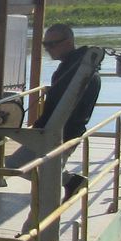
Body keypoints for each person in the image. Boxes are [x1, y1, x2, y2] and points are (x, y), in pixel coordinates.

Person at [33, 23, 100, 198]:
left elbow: (61, 107)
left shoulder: (78, 71)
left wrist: (39, 129)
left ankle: (69, 184)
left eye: (52, 44)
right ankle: (70, 182)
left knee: (33, 170)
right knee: (25, 166)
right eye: (45, 45)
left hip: (63, 133)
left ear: (68, 42)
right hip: (58, 131)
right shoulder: (74, 67)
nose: (48, 49)